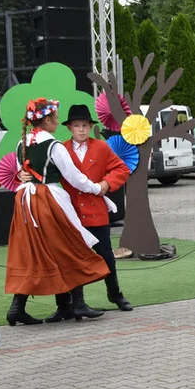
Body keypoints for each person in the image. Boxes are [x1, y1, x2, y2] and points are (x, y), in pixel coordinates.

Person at [5, 98, 111, 325]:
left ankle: (19, 308)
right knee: (71, 245)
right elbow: (74, 177)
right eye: (55, 117)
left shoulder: (21, 143)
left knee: (33, 252)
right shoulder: (54, 146)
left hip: (25, 202)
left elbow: (21, 173)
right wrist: (96, 188)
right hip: (48, 200)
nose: (57, 120)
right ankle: (78, 304)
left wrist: (23, 177)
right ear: (47, 120)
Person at [60, 104, 133, 311]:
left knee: (106, 256)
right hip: (72, 211)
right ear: (69, 128)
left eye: (85, 125)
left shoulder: (101, 147)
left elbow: (121, 168)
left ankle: (115, 294)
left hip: (96, 211)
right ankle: (75, 302)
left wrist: (106, 184)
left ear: (91, 126)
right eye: (77, 125)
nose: (81, 129)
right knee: (72, 258)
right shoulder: (61, 149)